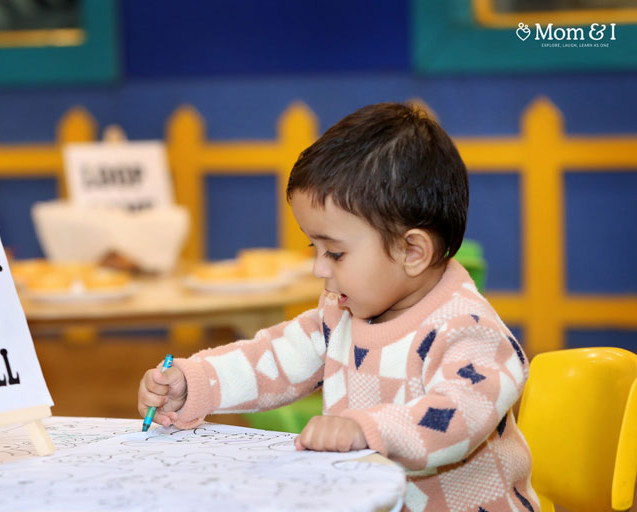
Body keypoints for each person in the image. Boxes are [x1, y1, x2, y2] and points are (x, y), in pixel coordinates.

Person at [138, 103, 539, 511]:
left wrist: (366, 429)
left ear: (412, 251)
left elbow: (457, 418)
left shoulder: (470, 331)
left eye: (335, 252)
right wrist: (195, 381)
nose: (318, 268)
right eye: (316, 247)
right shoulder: (340, 313)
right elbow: (274, 358)